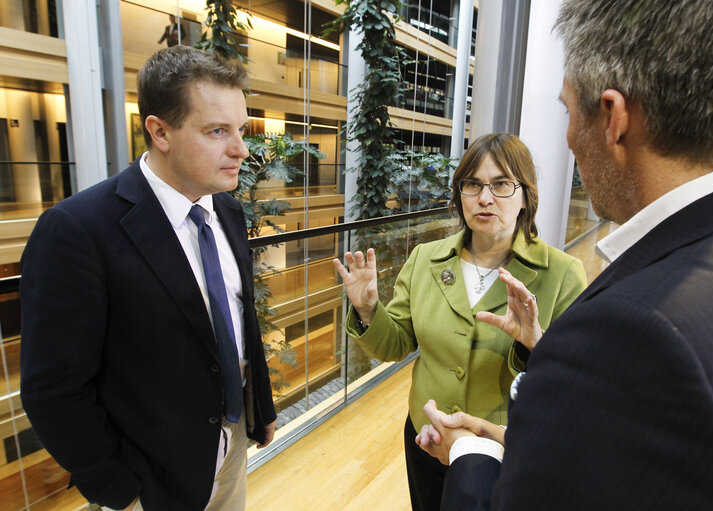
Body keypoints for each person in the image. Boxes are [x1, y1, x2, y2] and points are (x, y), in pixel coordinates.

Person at [416, 0, 713, 509]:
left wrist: (473, 449)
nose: (567, 137)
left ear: (612, 117)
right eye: (473, 185)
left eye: (566, 110)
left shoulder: (627, 329)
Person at [19, 46, 277, 511]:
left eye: (240, 129)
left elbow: (241, 319)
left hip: (232, 445)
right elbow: (53, 389)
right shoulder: (78, 230)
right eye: (217, 131)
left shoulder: (229, 211)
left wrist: (260, 408)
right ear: (159, 131)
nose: (241, 149)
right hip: (150, 472)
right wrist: (120, 490)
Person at [333, 133, 587, 511]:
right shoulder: (426, 259)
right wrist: (369, 309)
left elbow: (576, 385)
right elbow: (397, 343)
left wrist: (535, 343)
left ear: (525, 196)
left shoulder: (562, 274)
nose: (485, 198)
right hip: (426, 437)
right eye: (473, 184)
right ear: (460, 194)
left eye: (501, 184)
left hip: (498, 450)